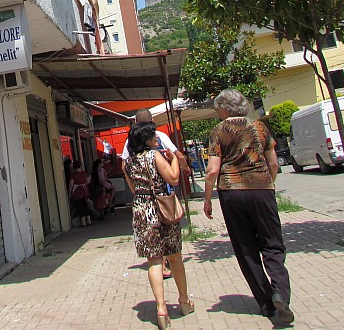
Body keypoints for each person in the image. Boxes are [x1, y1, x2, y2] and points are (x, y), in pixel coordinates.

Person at [203, 89, 294, 324]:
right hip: (262, 190)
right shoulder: (260, 127)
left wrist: (207, 199)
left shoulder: (219, 130)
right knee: (272, 243)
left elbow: (213, 169)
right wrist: (269, 183)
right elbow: (273, 162)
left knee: (246, 248)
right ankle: (280, 293)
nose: (217, 113)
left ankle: (265, 303)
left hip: (232, 193)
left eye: (217, 109)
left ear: (225, 108)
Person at [123, 121, 194, 329]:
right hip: (162, 209)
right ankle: (183, 301)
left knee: (154, 260)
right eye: (153, 136)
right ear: (145, 139)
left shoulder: (128, 164)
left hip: (142, 210)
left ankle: (161, 308)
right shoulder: (155, 156)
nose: (156, 138)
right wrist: (173, 161)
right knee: (174, 256)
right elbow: (172, 179)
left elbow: (134, 189)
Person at [121, 108, 191, 279]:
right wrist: (185, 168)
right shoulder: (160, 136)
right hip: (163, 188)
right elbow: (178, 155)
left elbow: (124, 166)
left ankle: (162, 265)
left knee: (152, 233)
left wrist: (135, 189)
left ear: (136, 122)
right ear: (152, 121)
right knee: (167, 224)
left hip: (142, 195)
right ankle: (169, 260)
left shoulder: (129, 142)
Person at [68, 160, 91, 227]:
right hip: (85, 190)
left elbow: (71, 184)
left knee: (80, 206)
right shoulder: (84, 173)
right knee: (86, 205)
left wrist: (69, 193)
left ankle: (83, 222)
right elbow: (88, 181)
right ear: (80, 166)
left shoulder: (73, 175)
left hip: (77, 192)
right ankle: (89, 220)